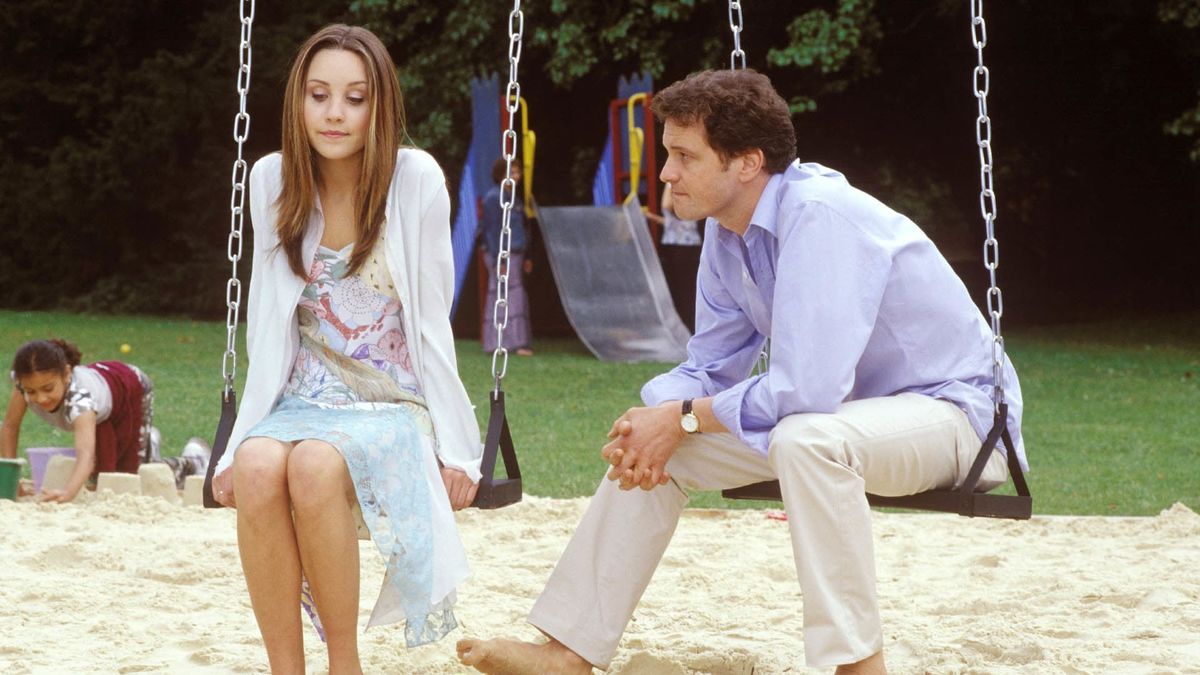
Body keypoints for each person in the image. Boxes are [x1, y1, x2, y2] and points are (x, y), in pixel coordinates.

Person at [457, 68, 1025, 675]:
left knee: (805, 437)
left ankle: (858, 666)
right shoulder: (728, 235)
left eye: (683, 156)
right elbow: (709, 365)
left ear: (747, 163)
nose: (667, 172)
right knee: (658, 450)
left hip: (954, 419)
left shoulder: (821, 216)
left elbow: (805, 388)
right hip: (843, 421)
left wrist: (684, 416)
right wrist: (657, 418)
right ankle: (568, 650)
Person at [208, 24, 483, 673]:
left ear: (379, 105)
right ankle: (286, 667)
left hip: (388, 397)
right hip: (305, 391)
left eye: (355, 97)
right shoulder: (273, 179)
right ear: (298, 103)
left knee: (313, 466)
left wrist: (461, 445)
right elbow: (268, 323)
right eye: (319, 94)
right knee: (254, 466)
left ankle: (343, 662)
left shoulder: (415, 180)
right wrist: (240, 435)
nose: (334, 113)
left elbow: (432, 321)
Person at [0, 339, 210, 502]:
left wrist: (68, 492)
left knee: (131, 477)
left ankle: (195, 461)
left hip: (130, 387)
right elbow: (9, 427)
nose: (40, 398)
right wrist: (11, 480)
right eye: (31, 392)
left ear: (66, 373)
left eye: (48, 389)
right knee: (106, 474)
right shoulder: (23, 383)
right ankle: (145, 443)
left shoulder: (81, 399)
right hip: (104, 391)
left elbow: (86, 455)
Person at [480, 158, 534, 356]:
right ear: (500, 175)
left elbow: (522, 229)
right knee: (500, 295)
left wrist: (527, 255)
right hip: (501, 254)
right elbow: (493, 231)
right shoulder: (494, 198)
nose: (516, 177)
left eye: (518, 173)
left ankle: (515, 342)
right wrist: (498, 260)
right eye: (511, 173)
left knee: (515, 296)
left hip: (516, 252)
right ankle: (499, 343)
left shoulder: (515, 199)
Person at [656, 182, 703, 332]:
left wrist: (669, 187)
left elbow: (667, 205)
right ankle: (687, 329)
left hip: (683, 246)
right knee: (683, 291)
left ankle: (690, 329)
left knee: (685, 292)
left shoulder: (677, 184)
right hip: (681, 244)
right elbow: (671, 222)